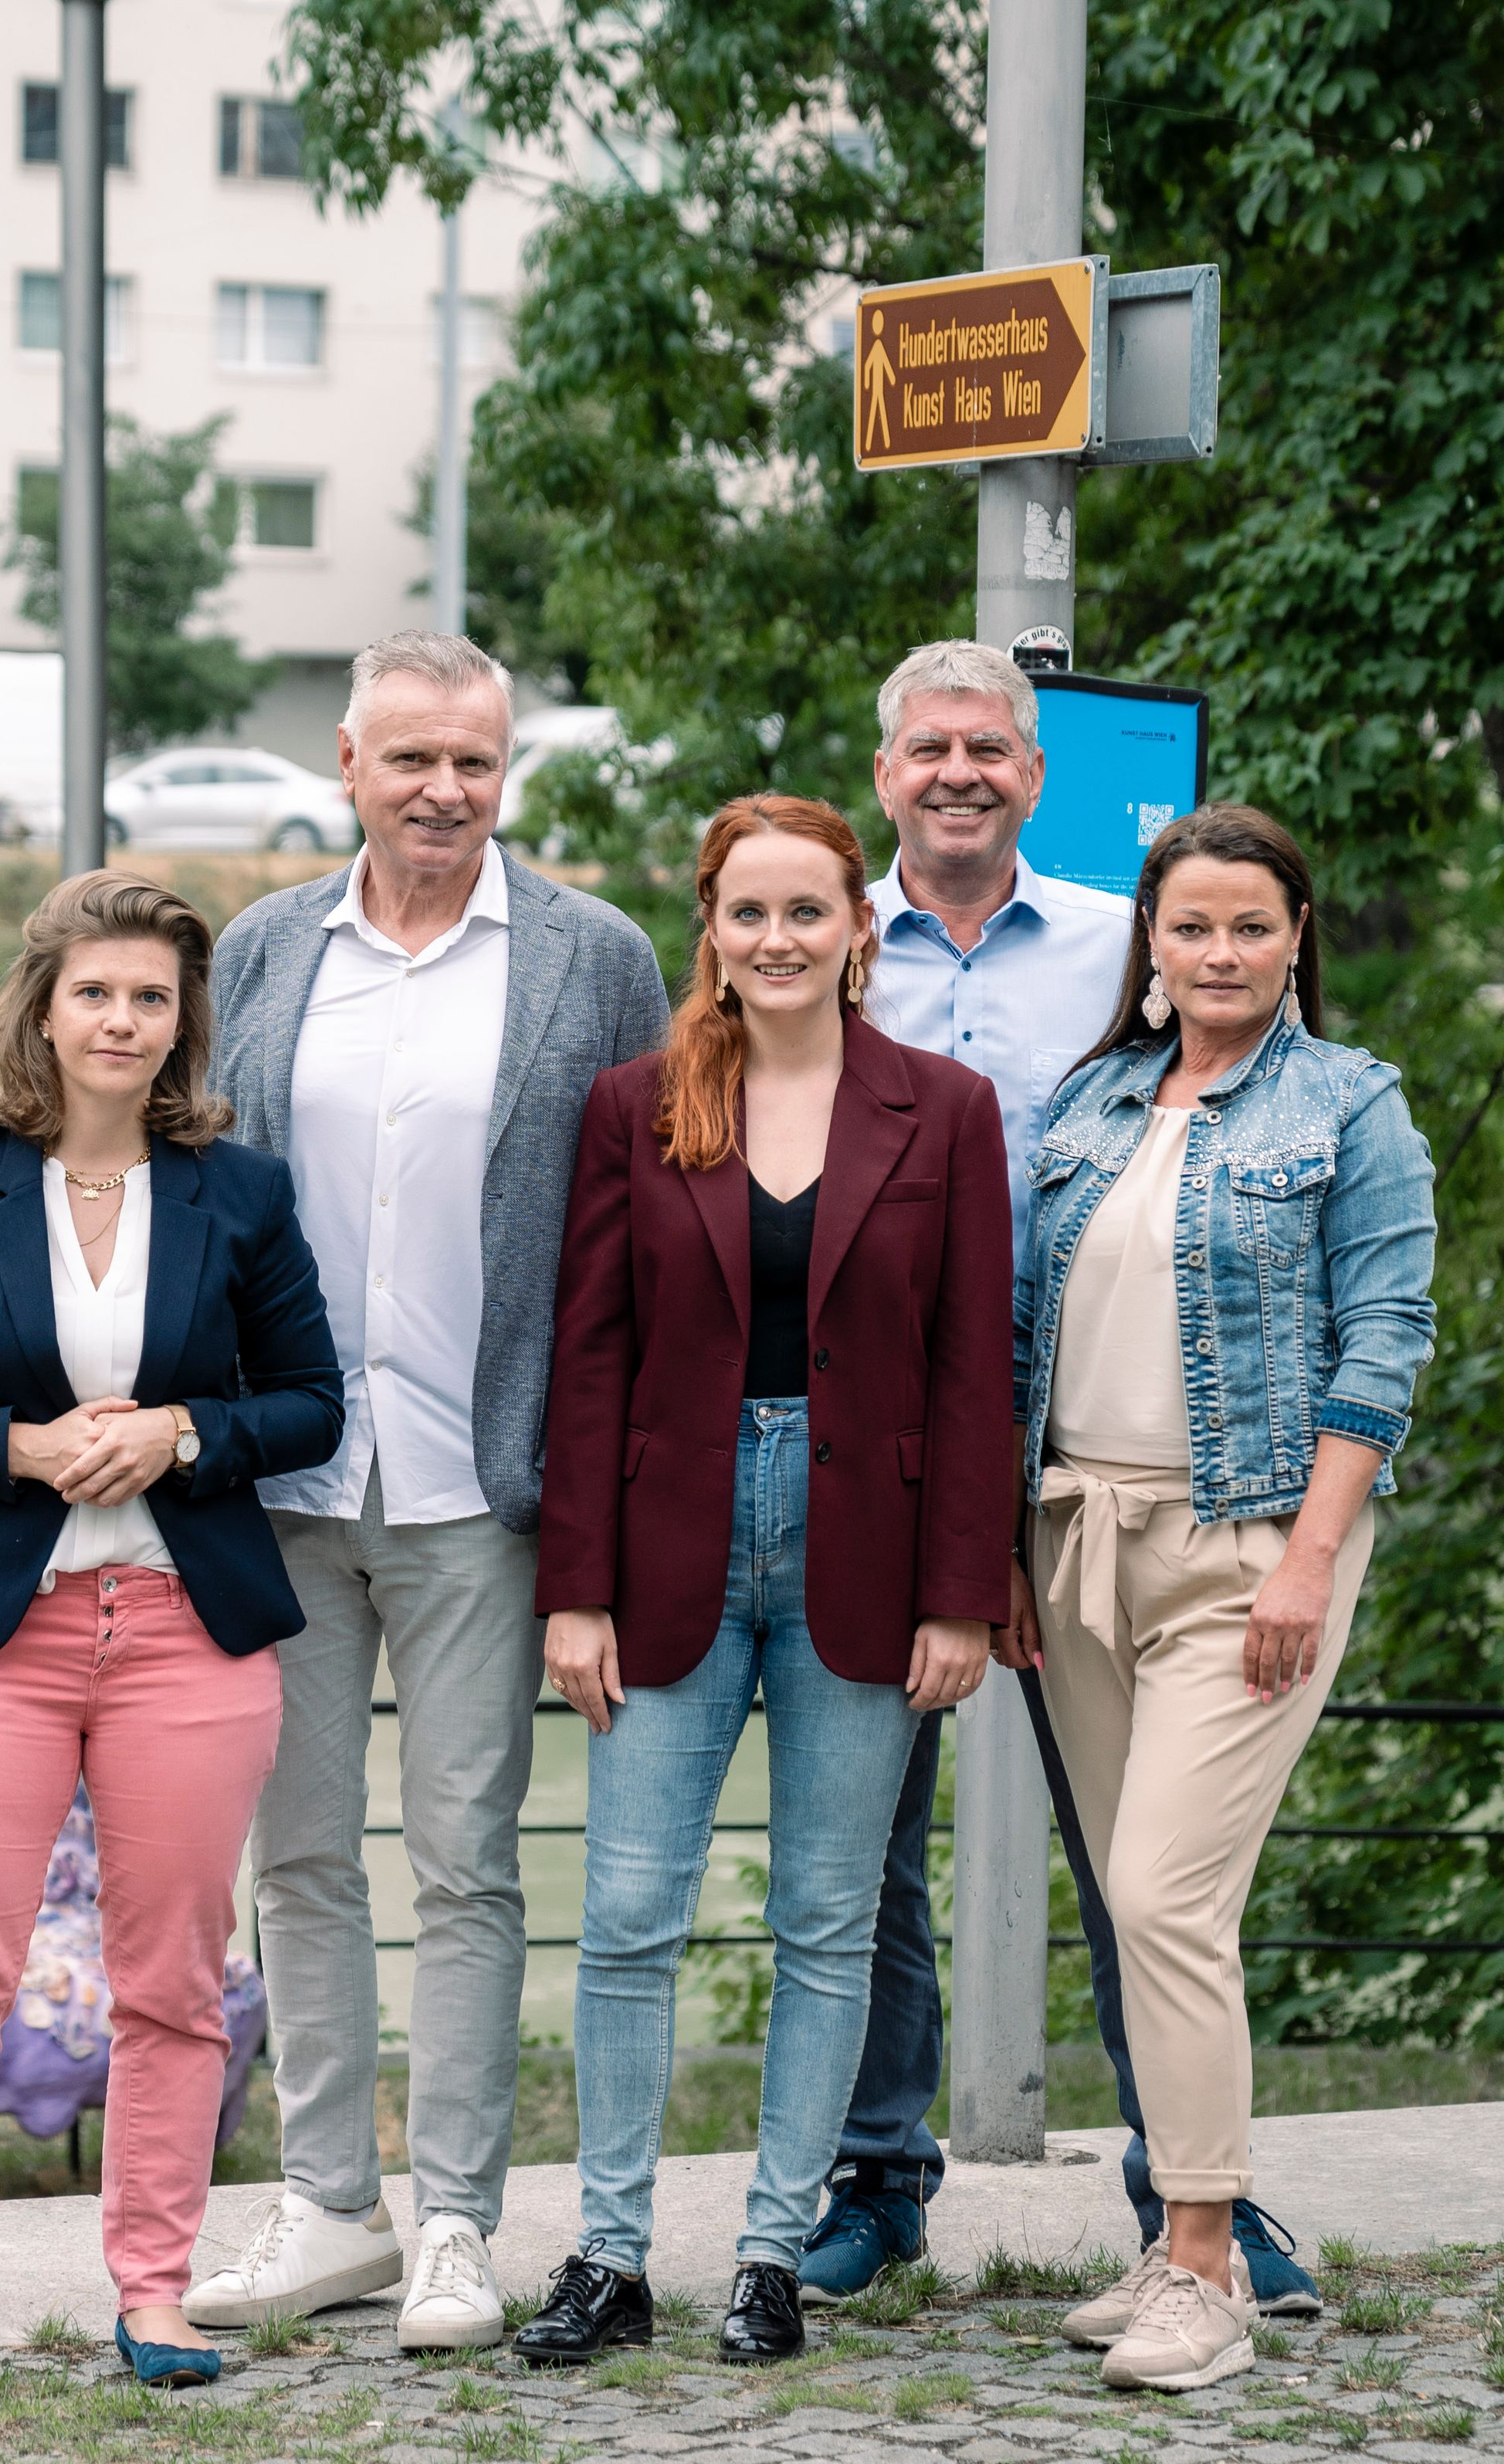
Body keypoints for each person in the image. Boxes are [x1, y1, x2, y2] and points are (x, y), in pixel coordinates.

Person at [806, 638, 1326, 2324]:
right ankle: (875, 2181)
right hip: (871, 1446)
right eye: (927, 747)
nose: (958, 771)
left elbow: (1262, 1141)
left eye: (990, 748)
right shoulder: (815, 940)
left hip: (1088, 1460)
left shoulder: (1132, 941)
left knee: (1139, 1862)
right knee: (861, 1842)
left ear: (1035, 774)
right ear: (883, 770)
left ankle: (1180, 2196)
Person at [189, 631, 669, 2353]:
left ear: (504, 768)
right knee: (297, 1856)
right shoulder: (258, 951)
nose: (443, 792)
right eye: (411, 761)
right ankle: (331, 2204)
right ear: (346, 761)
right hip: (284, 1479)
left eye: (473, 761)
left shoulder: (592, 958)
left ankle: (457, 2218)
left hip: (485, 1479)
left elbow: (646, 1226)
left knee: (466, 1860)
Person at [0, 875, 345, 2401]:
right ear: (42, 1005)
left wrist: (183, 1431)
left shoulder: (235, 1192)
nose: (122, 1020)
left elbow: (309, 1403)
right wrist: (18, 1450)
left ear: (183, 1023)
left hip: (189, 1635)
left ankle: (156, 2296)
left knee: (173, 1987)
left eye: (152, 997)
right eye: (97, 992)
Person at [517, 795, 1013, 2369]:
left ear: (860, 926)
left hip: (865, 1548)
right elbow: (586, 1356)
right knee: (623, 1914)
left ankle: (771, 2258)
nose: (778, 938)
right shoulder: (637, 1105)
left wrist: (962, 1593)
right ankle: (606, 2257)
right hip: (670, 1536)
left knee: (824, 1916)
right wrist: (572, 1585)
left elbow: (967, 1367)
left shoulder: (944, 1110)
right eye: (748, 912)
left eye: (808, 910)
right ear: (709, 932)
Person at [1014, 804, 1437, 2392]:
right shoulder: (1090, 1099)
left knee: (1162, 1898)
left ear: (1295, 936)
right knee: (1134, 1912)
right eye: (1188, 927)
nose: (1216, 954)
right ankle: (1170, 2238)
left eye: (1248, 926)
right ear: (1151, 943)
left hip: (1250, 1547)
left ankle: (1205, 2262)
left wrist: (1309, 1561)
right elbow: (1017, 1333)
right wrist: (1007, 1548)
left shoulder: (1349, 1104)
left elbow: (1381, 1339)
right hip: (1074, 1538)